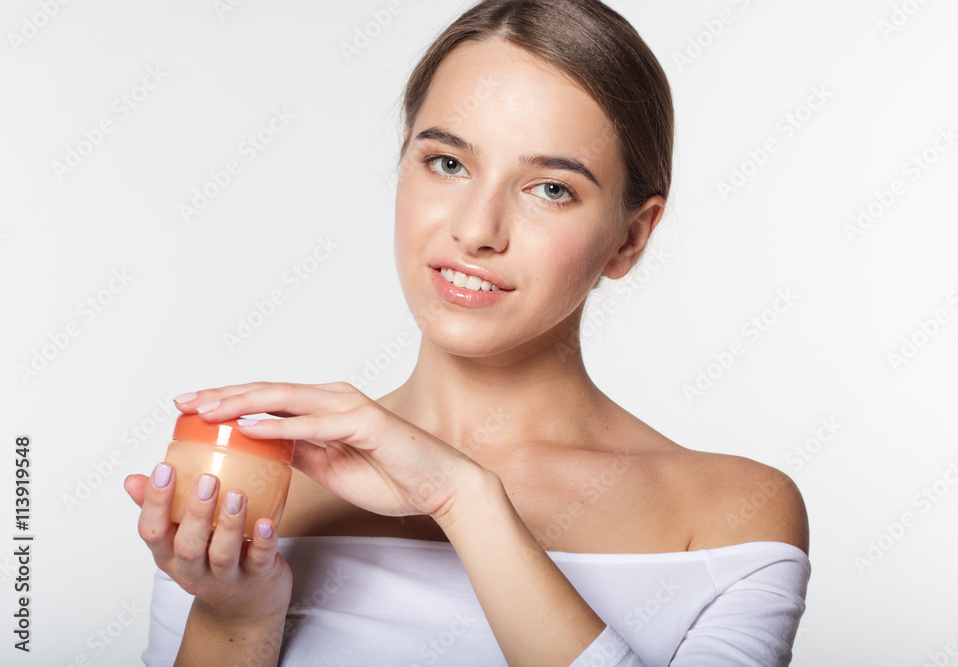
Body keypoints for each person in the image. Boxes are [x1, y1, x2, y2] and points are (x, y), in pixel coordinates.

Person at [125, 0, 810, 664]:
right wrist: (236, 614)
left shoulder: (729, 517)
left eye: (550, 188)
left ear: (629, 238)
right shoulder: (266, 486)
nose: (476, 230)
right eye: (447, 163)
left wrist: (464, 499)